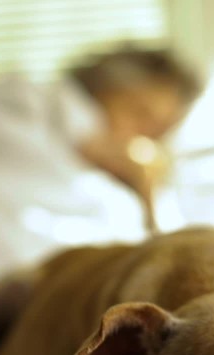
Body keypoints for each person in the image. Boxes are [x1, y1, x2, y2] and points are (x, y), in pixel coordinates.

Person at [56, 46, 202, 231]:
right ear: (103, 90)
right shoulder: (48, 106)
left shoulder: (142, 172)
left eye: (158, 131)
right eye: (139, 113)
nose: (140, 137)